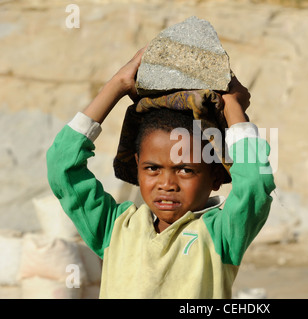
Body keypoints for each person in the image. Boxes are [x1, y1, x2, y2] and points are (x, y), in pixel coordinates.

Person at [46, 46, 276, 298]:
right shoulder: (115, 228)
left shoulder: (221, 234)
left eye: (186, 170)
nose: (166, 184)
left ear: (217, 177)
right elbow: (62, 164)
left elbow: (255, 183)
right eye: (153, 168)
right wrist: (118, 85)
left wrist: (233, 105)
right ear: (137, 166)